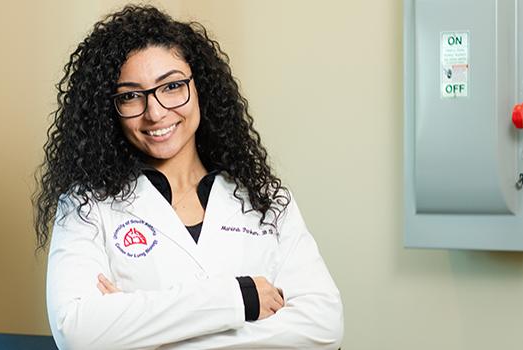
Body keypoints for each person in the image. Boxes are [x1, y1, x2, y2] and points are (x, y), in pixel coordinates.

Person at [34, 5, 343, 349]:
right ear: (110, 109)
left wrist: (147, 331)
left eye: (171, 87)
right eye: (131, 96)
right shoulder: (87, 206)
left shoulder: (265, 198)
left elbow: (323, 325)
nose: (155, 112)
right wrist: (238, 299)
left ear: (201, 88)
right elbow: (78, 333)